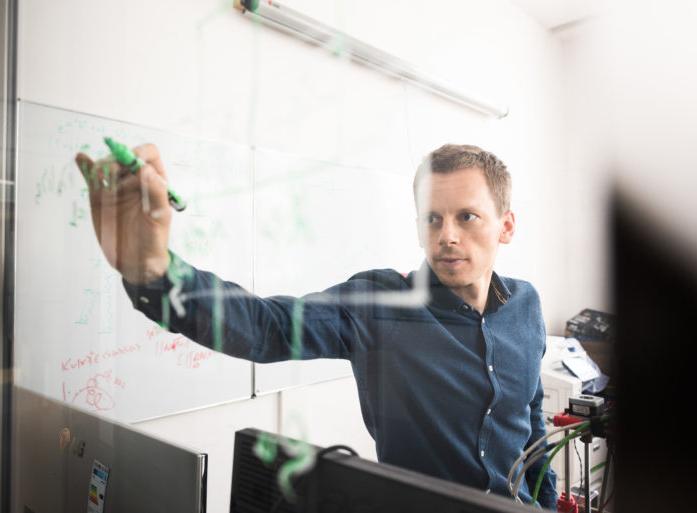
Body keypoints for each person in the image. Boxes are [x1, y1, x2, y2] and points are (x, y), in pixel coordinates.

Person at [75, 143, 558, 508]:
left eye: (467, 216)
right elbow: (267, 327)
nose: (447, 235)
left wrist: (549, 501)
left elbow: (529, 421)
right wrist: (155, 272)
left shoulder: (527, 305)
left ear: (506, 226)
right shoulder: (379, 304)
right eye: (432, 218)